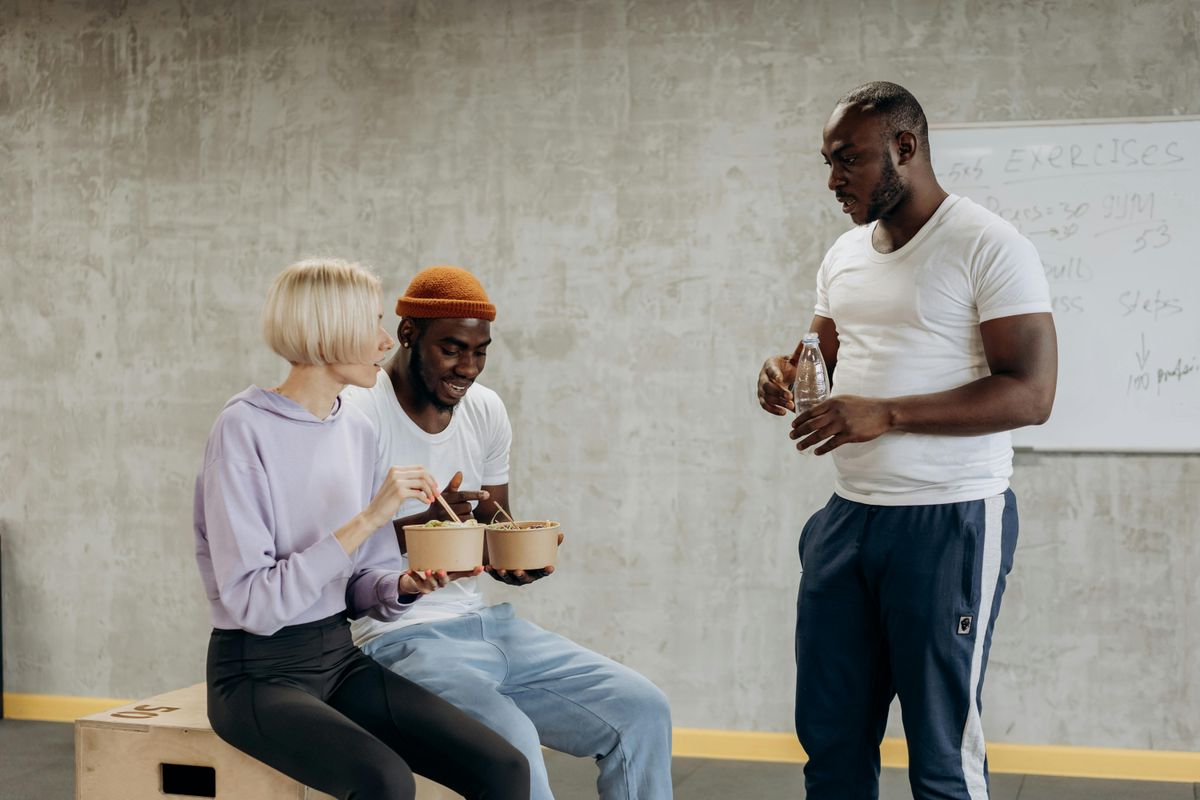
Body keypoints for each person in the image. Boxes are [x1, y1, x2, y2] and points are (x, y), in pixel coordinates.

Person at [756, 83, 1057, 800]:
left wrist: (887, 414)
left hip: (949, 521)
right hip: (849, 518)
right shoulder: (843, 254)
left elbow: (1032, 394)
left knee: (942, 758)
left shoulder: (989, 244)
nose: (833, 180)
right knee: (830, 746)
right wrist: (779, 371)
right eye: (828, 162)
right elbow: (815, 357)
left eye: (849, 160)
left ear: (906, 147)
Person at [194, 258, 530, 800]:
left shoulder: (353, 426)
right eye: (371, 325)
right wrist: (371, 517)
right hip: (256, 673)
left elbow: (360, 582)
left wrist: (402, 585)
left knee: (504, 767)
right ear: (329, 334)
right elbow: (254, 605)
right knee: (385, 782)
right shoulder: (243, 430)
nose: (383, 342)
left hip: (339, 656)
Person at [342, 265, 673, 800]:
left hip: (485, 625)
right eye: (451, 349)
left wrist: (521, 561)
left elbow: (494, 523)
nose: (467, 368)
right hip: (395, 639)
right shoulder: (357, 414)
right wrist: (423, 526)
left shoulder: (485, 410)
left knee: (642, 708)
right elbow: (335, 554)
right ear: (407, 334)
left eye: (480, 351)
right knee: (514, 745)